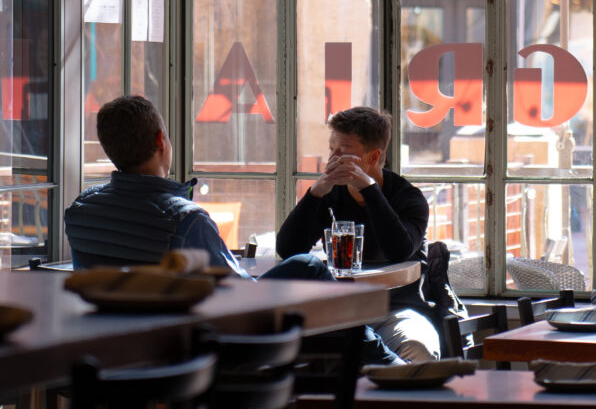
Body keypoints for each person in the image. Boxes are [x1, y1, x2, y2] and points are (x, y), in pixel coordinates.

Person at [65, 95, 403, 365]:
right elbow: (240, 301)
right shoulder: (184, 220)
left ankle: (376, 366)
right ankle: (386, 366)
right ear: (160, 141)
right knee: (309, 266)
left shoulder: (80, 211)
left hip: (109, 351)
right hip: (190, 351)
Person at [277, 107, 441, 363]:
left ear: (373, 156)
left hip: (396, 309)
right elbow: (289, 250)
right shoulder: (329, 194)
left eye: (343, 151)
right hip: (339, 311)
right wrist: (315, 193)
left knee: (418, 349)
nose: (332, 158)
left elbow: (398, 251)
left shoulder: (409, 198)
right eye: (331, 149)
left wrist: (368, 188)